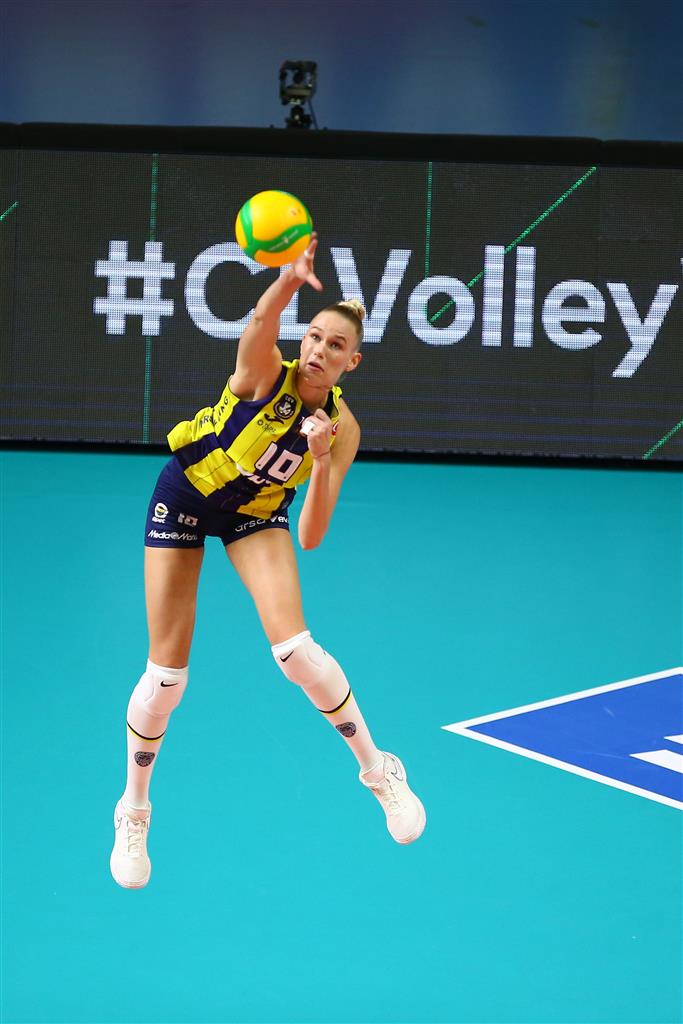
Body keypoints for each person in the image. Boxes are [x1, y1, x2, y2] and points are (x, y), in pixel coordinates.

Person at [110, 234, 426, 889]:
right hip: (187, 493)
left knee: (296, 653)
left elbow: (311, 535)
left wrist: (320, 459)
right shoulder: (263, 373)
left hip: (255, 513)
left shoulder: (342, 428)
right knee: (165, 680)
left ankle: (378, 771)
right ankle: (134, 808)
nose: (319, 350)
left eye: (335, 346)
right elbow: (259, 322)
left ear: (351, 362)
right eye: (313, 337)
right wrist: (287, 279)